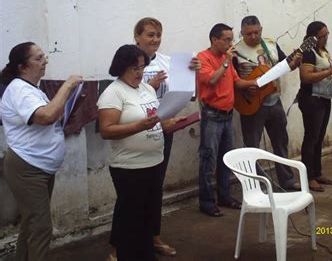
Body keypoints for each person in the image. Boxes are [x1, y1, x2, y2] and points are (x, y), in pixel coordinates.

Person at [98, 45, 185, 261]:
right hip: (129, 167)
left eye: (142, 67)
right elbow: (107, 131)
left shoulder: (146, 88)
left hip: (154, 162)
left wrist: (169, 124)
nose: (139, 72)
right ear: (121, 67)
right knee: (132, 221)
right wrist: (140, 126)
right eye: (134, 68)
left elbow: (155, 120)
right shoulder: (113, 92)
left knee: (147, 218)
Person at [0, 42, 82, 261]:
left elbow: (50, 118)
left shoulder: (32, 89)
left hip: (40, 165)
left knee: (31, 223)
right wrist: (68, 86)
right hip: (28, 167)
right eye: (38, 58)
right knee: (41, 228)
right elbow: (45, 116)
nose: (45, 61)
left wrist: (67, 108)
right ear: (22, 66)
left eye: (44, 56)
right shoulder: (19, 89)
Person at [133, 17, 200, 257]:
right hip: (137, 133)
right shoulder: (128, 62)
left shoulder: (168, 62)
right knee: (134, 191)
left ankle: (154, 236)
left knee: (155, 187)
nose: (155, 40)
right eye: (150, 35)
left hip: (164, 130)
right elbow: (123, 98)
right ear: (137, 37)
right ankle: (128, 242)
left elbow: (189, 96)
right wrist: (149, 85)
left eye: (158, 35)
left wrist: (192, 74)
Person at [233, 15, 302, 191]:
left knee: (281, 142)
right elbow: (231, 80)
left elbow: (286, 65)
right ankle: (256, 184)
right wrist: (245, 89)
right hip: (251, 104)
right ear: (241, 33)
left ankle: (286, 180)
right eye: (248, 34)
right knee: (252, 147)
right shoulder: (234, 51)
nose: (253, 37)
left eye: (256, 32)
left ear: (261, 29)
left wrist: (295, 63)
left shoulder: (270, 44)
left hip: (274, 101)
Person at [196, 23, 257, 217]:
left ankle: (224, 196)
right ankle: (206, 202)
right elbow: (212, 80)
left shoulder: (226, 59)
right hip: (212, 116)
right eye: (227, 40)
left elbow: (236, 81)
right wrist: (225, 63)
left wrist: (257, 82)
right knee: (208, 160)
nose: (231, 44)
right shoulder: (202, 58)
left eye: (232, 39)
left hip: (228, 115)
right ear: (215, 40)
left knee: (225, 160)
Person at [297, 21, 332, 192]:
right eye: (323, 36)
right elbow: (306, 77)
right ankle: (308, 177)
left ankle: (317, 172)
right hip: (311, 99)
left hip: (324, 98)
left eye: (327, 34)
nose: (326, 38)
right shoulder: (308, 52)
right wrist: (330, 71)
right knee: (311, 138)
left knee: (319, 137)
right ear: (314, 36)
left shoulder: (323, 51)